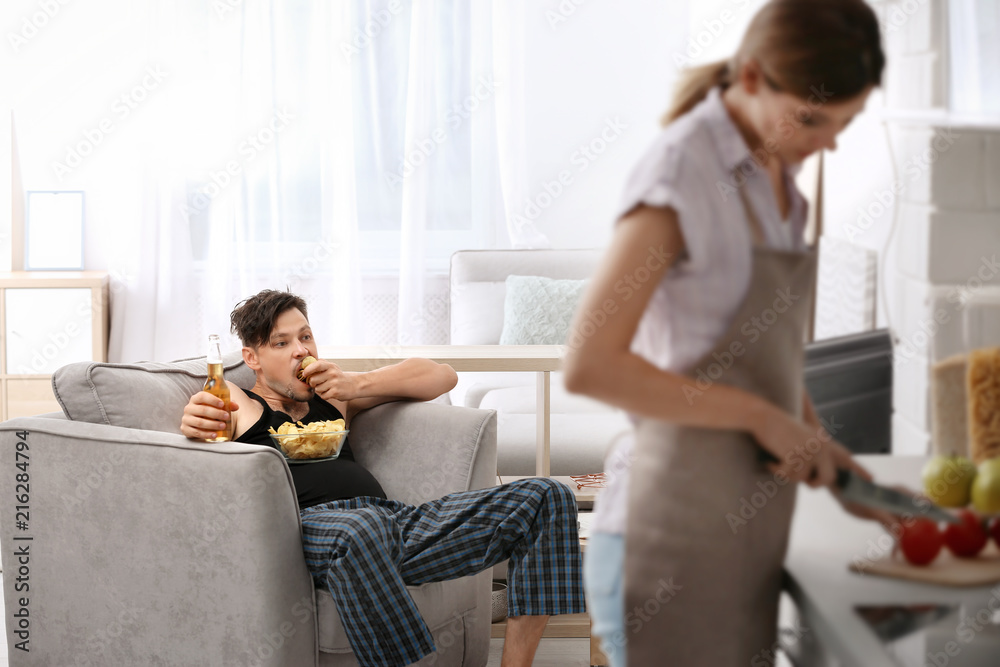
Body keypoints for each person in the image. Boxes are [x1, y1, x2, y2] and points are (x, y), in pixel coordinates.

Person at [562, 2, 897, 665]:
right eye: (812, 118)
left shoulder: (780, 178)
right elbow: (590, 363)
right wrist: (757, 417)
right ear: (750, 77)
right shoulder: (680, 170)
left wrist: (841, 467)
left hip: (744, 540)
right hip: (669, 538)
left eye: (845, 124)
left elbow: (762, 359)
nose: (827, 141)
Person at [180, 289, 585, 667]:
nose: (301, 350)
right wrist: (196, 418)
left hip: (391, 523)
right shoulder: (238, 402)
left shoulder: (334, 395)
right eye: (281, 343)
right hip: (312, 532)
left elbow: (442, 376)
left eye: (306, 336)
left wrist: (356, 384)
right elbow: (204, 415)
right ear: (252, 358)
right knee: (363, 526)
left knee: (546, 495)